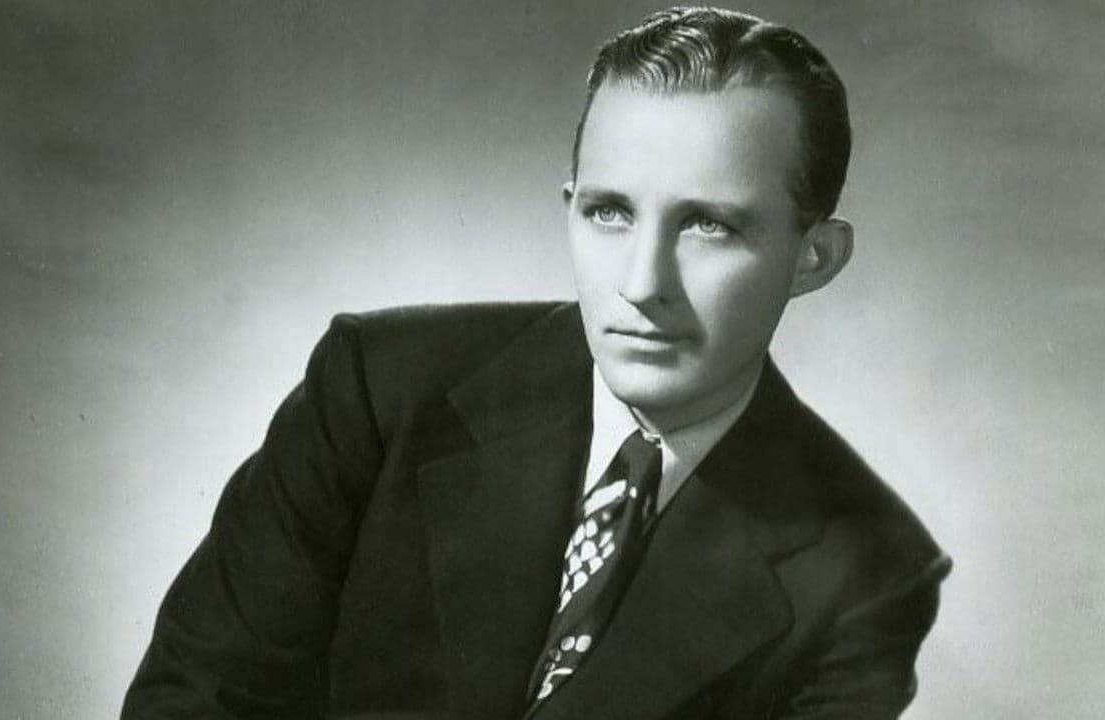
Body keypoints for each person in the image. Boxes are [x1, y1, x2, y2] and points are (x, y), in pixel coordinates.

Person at [122, 7, 950, 719]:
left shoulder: (870, 577)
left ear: (814, 257)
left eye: (709, 226)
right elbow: (194, 701)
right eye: (610, 213)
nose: (641, 283)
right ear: (569, 209)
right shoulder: (377, 390)